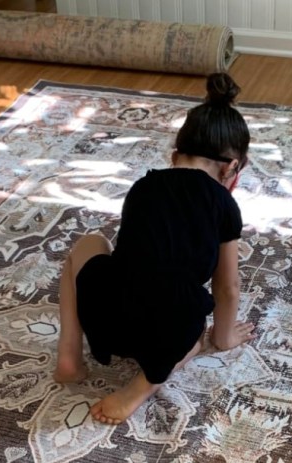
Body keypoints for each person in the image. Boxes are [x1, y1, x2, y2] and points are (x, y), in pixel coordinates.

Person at [53, 72, 254, 425]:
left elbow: (140, 256)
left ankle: (69, 358)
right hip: (164, 339)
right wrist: (221, 338)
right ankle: (141, 387)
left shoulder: (143, 186)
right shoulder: (224, 205)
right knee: (194, 335)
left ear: (176, 155)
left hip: (108, 321)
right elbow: (227, 287)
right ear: (232, 168)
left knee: (91, 243)